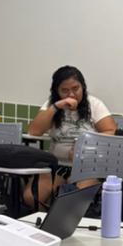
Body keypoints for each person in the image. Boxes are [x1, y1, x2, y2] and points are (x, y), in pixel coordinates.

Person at [24, 65, 116, 207]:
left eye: (75, 89)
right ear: (57, 91)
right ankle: (46, 218)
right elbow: (34, 131)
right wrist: (56, 106)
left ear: (83, 87)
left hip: (86, 166)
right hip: (56, 165)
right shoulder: (52, 104)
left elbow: (110, 130)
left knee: (74, 199)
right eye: (65, 90)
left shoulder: (94, 104)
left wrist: (85, 145)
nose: (71, 95)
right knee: (32, 197)